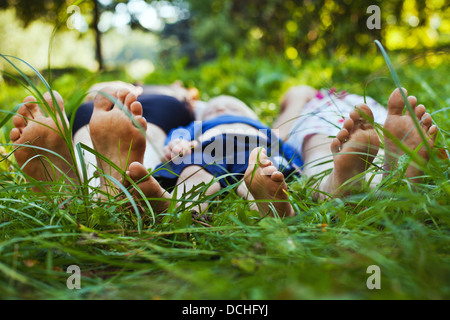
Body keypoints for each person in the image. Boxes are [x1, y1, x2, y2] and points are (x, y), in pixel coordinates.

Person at [9, 84, 438, 218]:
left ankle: (340, 180)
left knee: (265, 172)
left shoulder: (261, 133)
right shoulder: (193, 125)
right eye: (218, 106)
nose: (223, 106)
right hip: (216, 158)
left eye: (231, 106)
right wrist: (183, 141)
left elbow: (284, 142)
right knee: (197, 177)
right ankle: (142, 197)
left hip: (260, 157)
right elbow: (177, 143)